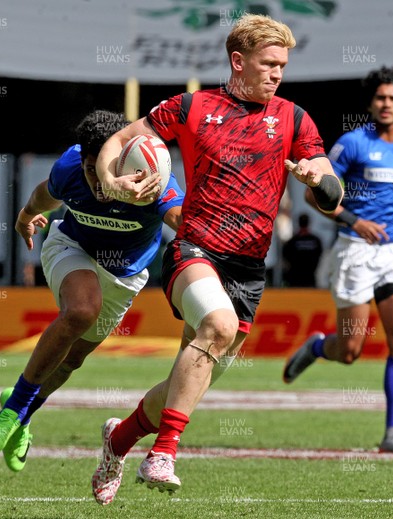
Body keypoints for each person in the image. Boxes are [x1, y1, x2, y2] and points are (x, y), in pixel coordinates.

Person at [91, 13, 343, 504]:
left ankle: (118, 440)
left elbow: (330, 194)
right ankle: (163, 453)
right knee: (219, 329)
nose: (277, 74)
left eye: (282, 66)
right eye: (268, 64)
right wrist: (110, 180)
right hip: (194, 250)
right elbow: (120, 140)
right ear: (237, 61)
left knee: (187, 379)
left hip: (248, 270)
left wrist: (318, 181)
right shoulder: (192, 107)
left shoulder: (294, 118)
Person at [0, 110, 183, 473]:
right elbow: (45, 194)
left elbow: (180, 217)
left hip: (125, 275)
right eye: (91, 169)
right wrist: (25, 218)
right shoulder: (70, 167)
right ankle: (11, 410)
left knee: (72, 360)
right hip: (72, 248)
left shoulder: (149, 173)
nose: (97, 181)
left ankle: (23, 414)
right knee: (82, 310)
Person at [283, 66, 393, 456]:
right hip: (354, 251)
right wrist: (354, 221)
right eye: (380, 98)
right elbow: (315, 196)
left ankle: (392, 435)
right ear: (371, 103)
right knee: (351, 351)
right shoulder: (351, 144)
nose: (386, 104)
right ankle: (318, 347)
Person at [283, 213, 323, 287]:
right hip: (310, 277)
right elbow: (319, 255)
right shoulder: (316, 240)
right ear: (309, 223)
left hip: (295, 278)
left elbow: (285, 257)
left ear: (298, 222)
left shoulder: (292, 241)